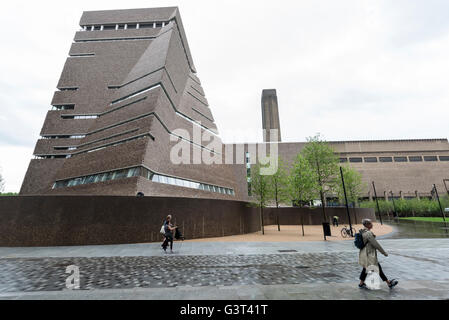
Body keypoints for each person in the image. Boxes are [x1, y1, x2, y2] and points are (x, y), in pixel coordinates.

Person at [358, 219, 398, 289]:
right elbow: (376, 244)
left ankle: (361, 283)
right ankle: (389, 283)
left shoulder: (363, 231)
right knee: (378, 268)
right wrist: (384, 252)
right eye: (370, 223)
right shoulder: (368, 233)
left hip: (365, 253)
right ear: (367, 225)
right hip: (369, 254)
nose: (372, 225)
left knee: (366, 268)